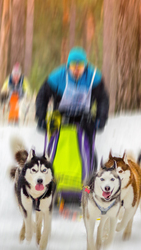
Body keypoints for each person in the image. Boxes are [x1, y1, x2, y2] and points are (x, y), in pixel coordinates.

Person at [35, 47, 109, 205]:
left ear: (85, 66)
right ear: (68, 66)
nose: (76, 71)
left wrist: (100, 119)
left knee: (86, 152)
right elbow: (42, 96)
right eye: (73, 67)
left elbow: (102, 99)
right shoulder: (57, 77)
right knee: (55, 151)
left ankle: (87, 189)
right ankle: (49, 188)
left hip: (84, 118)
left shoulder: (94, 77)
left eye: (80, 67)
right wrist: (40, 118)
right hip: (61, 118)